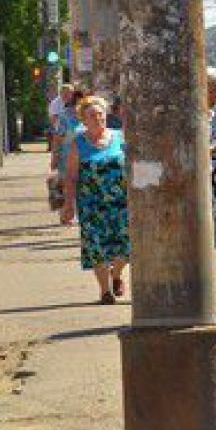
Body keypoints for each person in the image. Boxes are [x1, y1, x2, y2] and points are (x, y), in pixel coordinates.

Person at [60, 96, 130, 304]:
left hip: (122, 203)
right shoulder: (78, 143)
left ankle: (116, 273)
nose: (98, 118)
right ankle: (105, 291)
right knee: (96, 247)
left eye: (101, 114)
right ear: (83, 120)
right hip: (91, 205)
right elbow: (71, 177)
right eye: (92, 115)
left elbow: (134, 167)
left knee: (127, 244)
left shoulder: (120, 137)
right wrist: (68, 205)